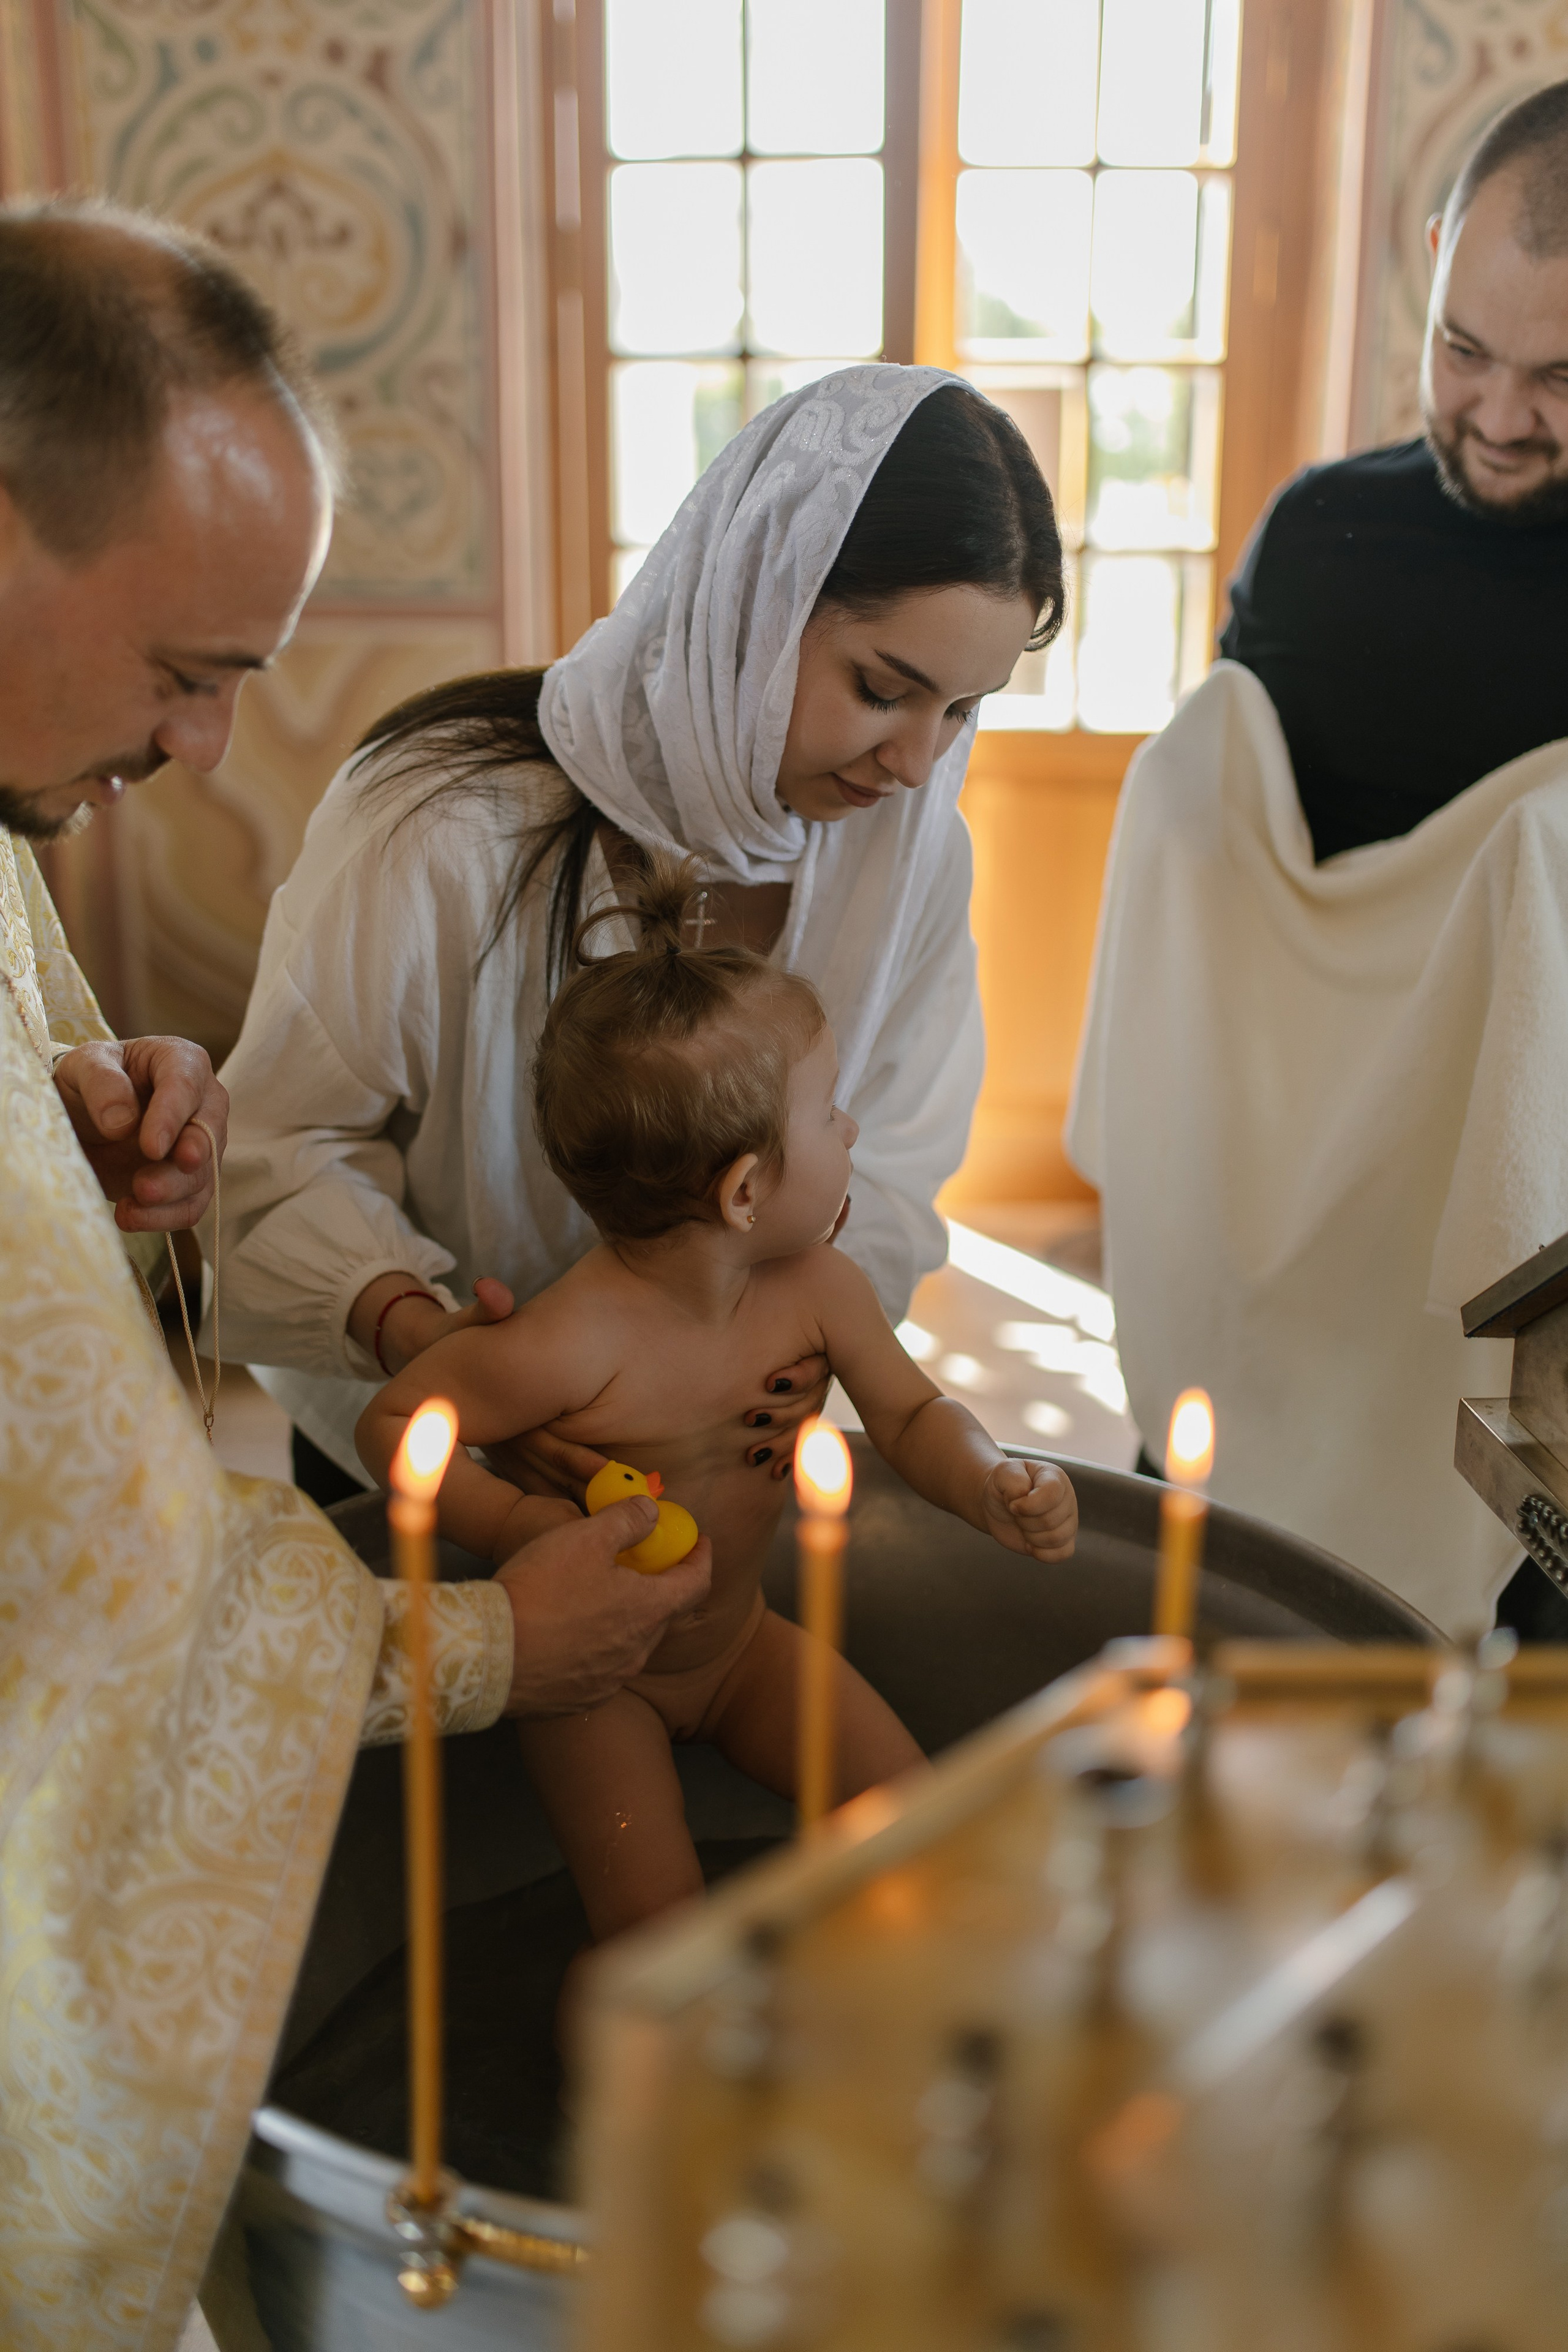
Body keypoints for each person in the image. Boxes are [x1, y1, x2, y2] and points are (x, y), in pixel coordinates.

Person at [0, 198, 709, 2352]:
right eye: (189, 671)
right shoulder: (442, 825)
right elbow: (80, 1603)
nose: (209, 747)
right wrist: (494, 1642)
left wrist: (76, 1138)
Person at [216, 364, 1065, 1513]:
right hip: (430, 1437)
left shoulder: (909, 852)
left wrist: (767, 1351)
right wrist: (430, 1338)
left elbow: (898, 1149)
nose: (917, 763)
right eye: (882, 689)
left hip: (713, 1451)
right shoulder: (442, 822)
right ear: (753, 605)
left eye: (961, 710)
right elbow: (278, 1144)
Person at [358, 858, 1078, 1941]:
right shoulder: (569, 1343)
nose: (851, 1131)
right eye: (828, 1112)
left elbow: (910, 1416)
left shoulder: (820, 1292)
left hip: (742, 1650)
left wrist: (986, 1478)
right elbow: (393, 1423)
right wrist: (516, 1525)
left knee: (923, 1831)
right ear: (745, 1192)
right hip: (598, 1685)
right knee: (656, 1937)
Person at [1069, 84, 1568, 1638]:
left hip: (1520, 1265)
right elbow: (1232, 892)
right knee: (1220, 1615)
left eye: (1561, 378)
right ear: (1429, 255)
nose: (1498, 417)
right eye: (1462, 350)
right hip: (1285, 1234)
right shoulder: (1318, 539)